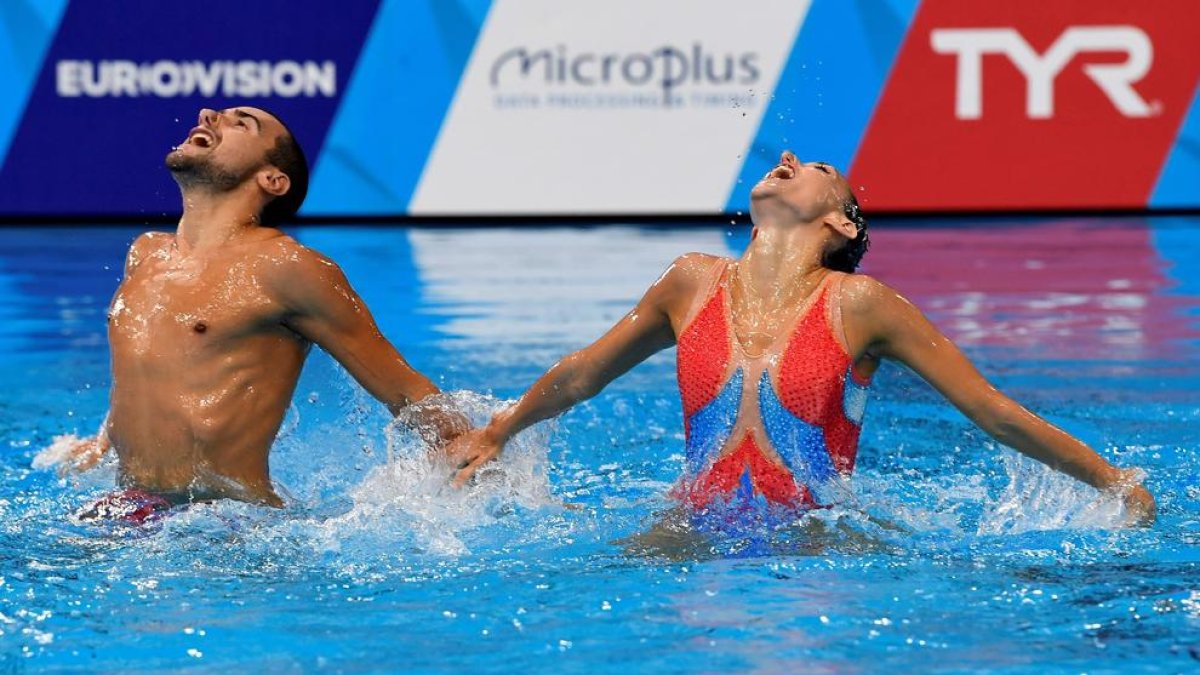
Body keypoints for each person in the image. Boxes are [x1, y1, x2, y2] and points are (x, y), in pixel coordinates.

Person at [446, 150, 1156, 526]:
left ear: (843, 223)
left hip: (822, 546)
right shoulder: (689, 282)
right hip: (685, 531)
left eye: (819, 167)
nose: (788, 155)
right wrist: (499, 431)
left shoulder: (862, 304)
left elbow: (990, 409)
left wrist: (1113, 480)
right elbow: (583, 374)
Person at [55, 106, 465, 517]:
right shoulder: (146, 253)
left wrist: (470, 446)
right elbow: (153, 368)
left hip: (227, 524)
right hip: (134, 508)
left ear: (272, 180)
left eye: (241, 123)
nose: (208, 115)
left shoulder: (287, 268)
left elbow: (403, 388)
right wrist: (102, 441)